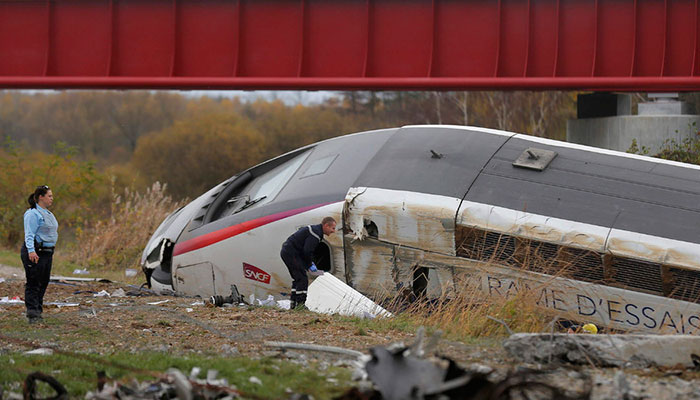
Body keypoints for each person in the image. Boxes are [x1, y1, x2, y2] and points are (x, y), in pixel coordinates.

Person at [21, 185, 59, 324]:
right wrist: (31, 250)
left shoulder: (48, 213)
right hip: (36, 251)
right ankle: (33, 314)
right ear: (41, 197)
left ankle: (38, 310)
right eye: (49, 196)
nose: (51, 199)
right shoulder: (33, 213)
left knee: (43, 281)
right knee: (33, 282)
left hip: (47, 253)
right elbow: (29, 234)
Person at [280, 216, 337, 310]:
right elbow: (307, 251)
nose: (333, 231)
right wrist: (309, 264)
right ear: (326, 226)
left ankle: (293, 304)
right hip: (292, 254)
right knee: (302, 279)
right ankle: (300, 305)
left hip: (288, 252)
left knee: (297, 278)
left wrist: (308, 264)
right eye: (333, 228)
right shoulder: (316, 234)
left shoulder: (315, 230)